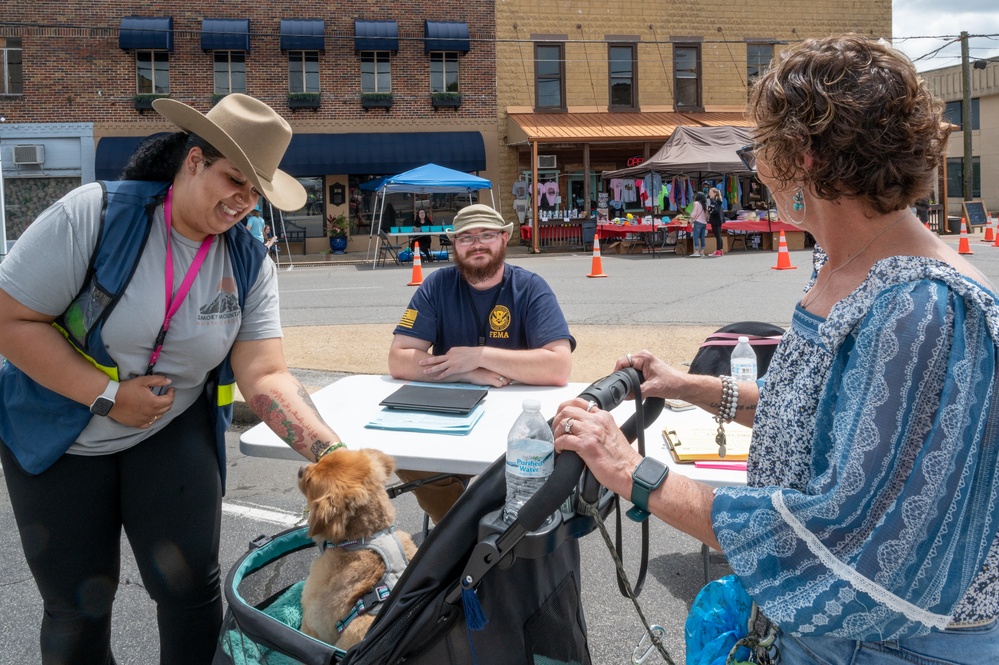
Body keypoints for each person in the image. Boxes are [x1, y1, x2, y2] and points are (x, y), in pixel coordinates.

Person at [552, 35, 999, 663]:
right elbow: (828, 419)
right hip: (828, 633)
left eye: (760, 147)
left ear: (805, 157)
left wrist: (634, 473)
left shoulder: (922, 308)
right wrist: (687, 386)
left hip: (895, 647)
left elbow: (843, 536)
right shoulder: (842, 262)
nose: (756, 166)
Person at [0, 93, 347, 664]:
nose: (243, 201)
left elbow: (264, 371)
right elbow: (11, 321)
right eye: (234, 179)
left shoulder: (247, 259)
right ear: (193, 161)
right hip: (59, 431)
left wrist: (333, 457)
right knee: (77, 607)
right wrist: (108, 397)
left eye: (255, 191)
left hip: (168, 431)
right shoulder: (95, 214)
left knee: (190, 594)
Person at [389, 203, 575, 523]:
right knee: (409, 456)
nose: (477, 244)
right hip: (454, 415)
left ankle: (489, 533)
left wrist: (481, 355)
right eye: (466, 237)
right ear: (455, 245)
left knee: (534, 471)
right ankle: (463, 531)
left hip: (520, 419)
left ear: (504, 239)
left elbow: (559, 367)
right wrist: (469, 373)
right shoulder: (437, 285)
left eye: (487, 234)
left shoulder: (531, 287)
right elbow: (399, 359)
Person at [706, 187, 725, 256]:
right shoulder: (719, 201)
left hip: (715, 220)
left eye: (710, 193)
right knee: (719, 235)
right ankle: (721, 250)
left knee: (717, 236)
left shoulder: (713, 201)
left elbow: (714, 211)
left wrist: (709, 210)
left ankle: (718, 250)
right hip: (719, 219)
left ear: (714, 193)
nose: (709, 194)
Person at [689, 191, 708, 257]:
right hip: (704, 223)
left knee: (696, 237)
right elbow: (706, 214)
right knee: (702, 238)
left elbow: (694, 213)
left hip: (698, 222)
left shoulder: (696, 203)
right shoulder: (705, 204)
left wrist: (691, 220)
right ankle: (702, 251)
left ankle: (696, 251)